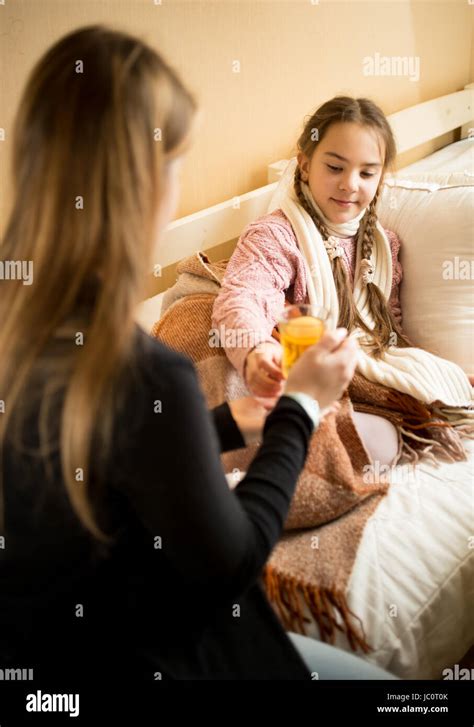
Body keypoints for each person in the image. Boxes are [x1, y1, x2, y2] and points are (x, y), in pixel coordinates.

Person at [0, 25, 397, 684]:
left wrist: (225, 427)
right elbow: (230, 564)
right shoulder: (145, 369)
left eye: (367, 172)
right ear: (145, 182)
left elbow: (113, 458)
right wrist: (299, 404)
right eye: (178, 160)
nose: (350, 184)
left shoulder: (28, 330)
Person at [211, 96, 473, 468]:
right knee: (236, 393)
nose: (350, 185)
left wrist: (437, 369)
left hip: (343, 379)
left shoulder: (384, 245)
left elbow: (385, 334)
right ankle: (283, 451)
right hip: (291, 373)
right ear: (304, 165)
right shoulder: (276, 236)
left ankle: (302, 449)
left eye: (367, 173)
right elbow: (244, 296)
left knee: (383, 443)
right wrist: (255, 352)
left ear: (380, 177)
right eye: (335, 167)